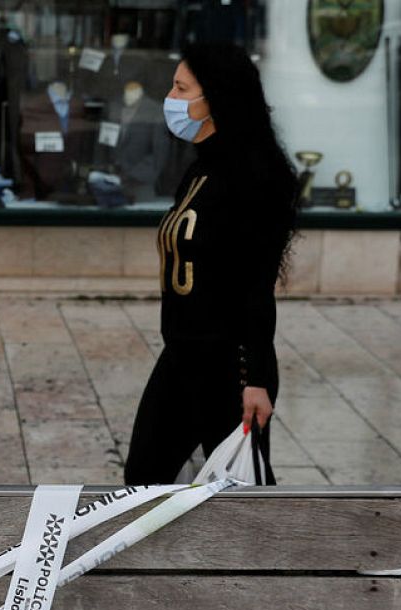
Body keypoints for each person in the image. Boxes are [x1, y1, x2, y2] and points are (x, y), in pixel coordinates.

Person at [122, 43, 300, 486]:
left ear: (215, 97)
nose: (171, 98)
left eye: (182, 88)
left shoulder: (255, 178)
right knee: (143, 479)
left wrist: (254, 379)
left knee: (238, 495)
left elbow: (256, 288)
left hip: (228, 367)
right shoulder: (199, 169)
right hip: (182, 356)